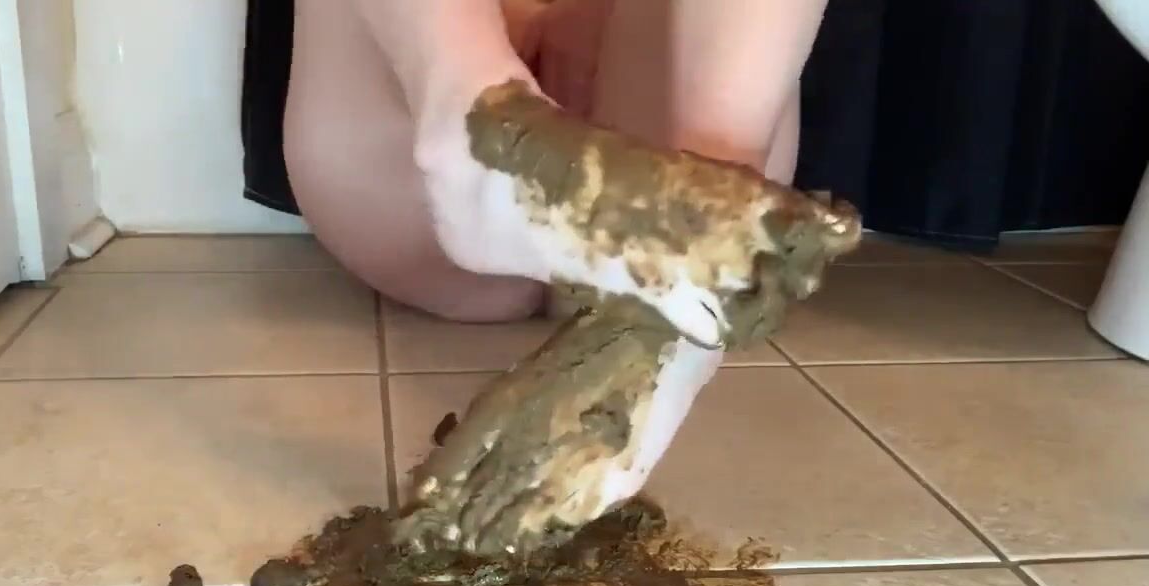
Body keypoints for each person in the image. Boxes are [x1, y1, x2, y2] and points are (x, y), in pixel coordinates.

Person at [282, 0, 830, 534]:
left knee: (711, 170)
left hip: (404, 178)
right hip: (402, 154)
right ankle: (480, 116)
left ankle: (704, 222)